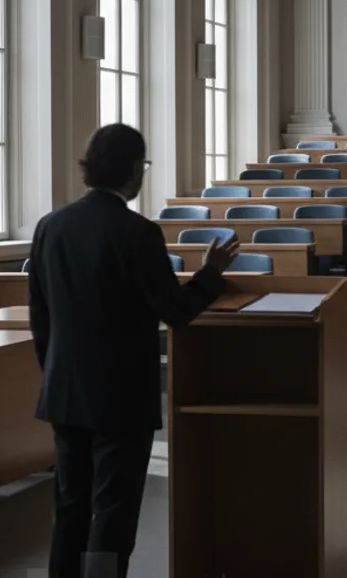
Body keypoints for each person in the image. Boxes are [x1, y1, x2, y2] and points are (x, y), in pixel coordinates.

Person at [27, 124, 239, 578]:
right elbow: (176, 310)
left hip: (64, 391)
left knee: (69, 507)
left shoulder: (49, 227)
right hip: (120, 397)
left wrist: (55, 374)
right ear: (132, 172)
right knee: (112, 511)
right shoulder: (137, 232)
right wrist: (210, 274)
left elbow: (40, 320)